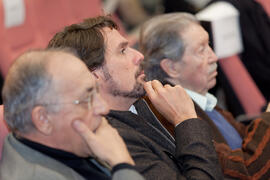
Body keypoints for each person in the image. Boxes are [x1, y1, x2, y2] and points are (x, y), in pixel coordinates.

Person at [48, 16, 223, 179]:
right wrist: (185, 119)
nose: (139, 56)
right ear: (94, 75)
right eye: (123, 51)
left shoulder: (146, 101)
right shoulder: (112, 140)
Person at [139, 12, 270, 179]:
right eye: (201, 50)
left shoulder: (202, 101)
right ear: (171, 67)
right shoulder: (170, 116)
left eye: (209, 45)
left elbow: (245, 141)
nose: (214, 57)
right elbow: (247, 170)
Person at [0, 48, 145, 180]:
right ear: (43, 119)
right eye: (86, 98)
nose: (104, 108)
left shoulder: (72, 144)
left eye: (97, 92)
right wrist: (122, 163)